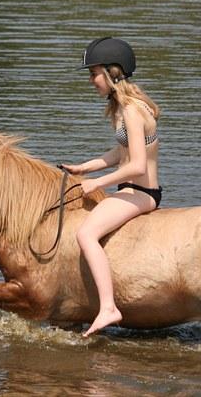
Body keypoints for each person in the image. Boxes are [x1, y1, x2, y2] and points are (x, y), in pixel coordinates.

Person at [62, 37, 162, 337]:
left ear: (113, 72)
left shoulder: (131, 111)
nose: (92, 81)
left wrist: (97, 183)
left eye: (94, 73)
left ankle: (108, 307)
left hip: (141, 193)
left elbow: (137, 166)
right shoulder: (122, 108)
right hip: (130, 190)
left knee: (86, 233)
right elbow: (121, 154)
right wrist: (84, 167)